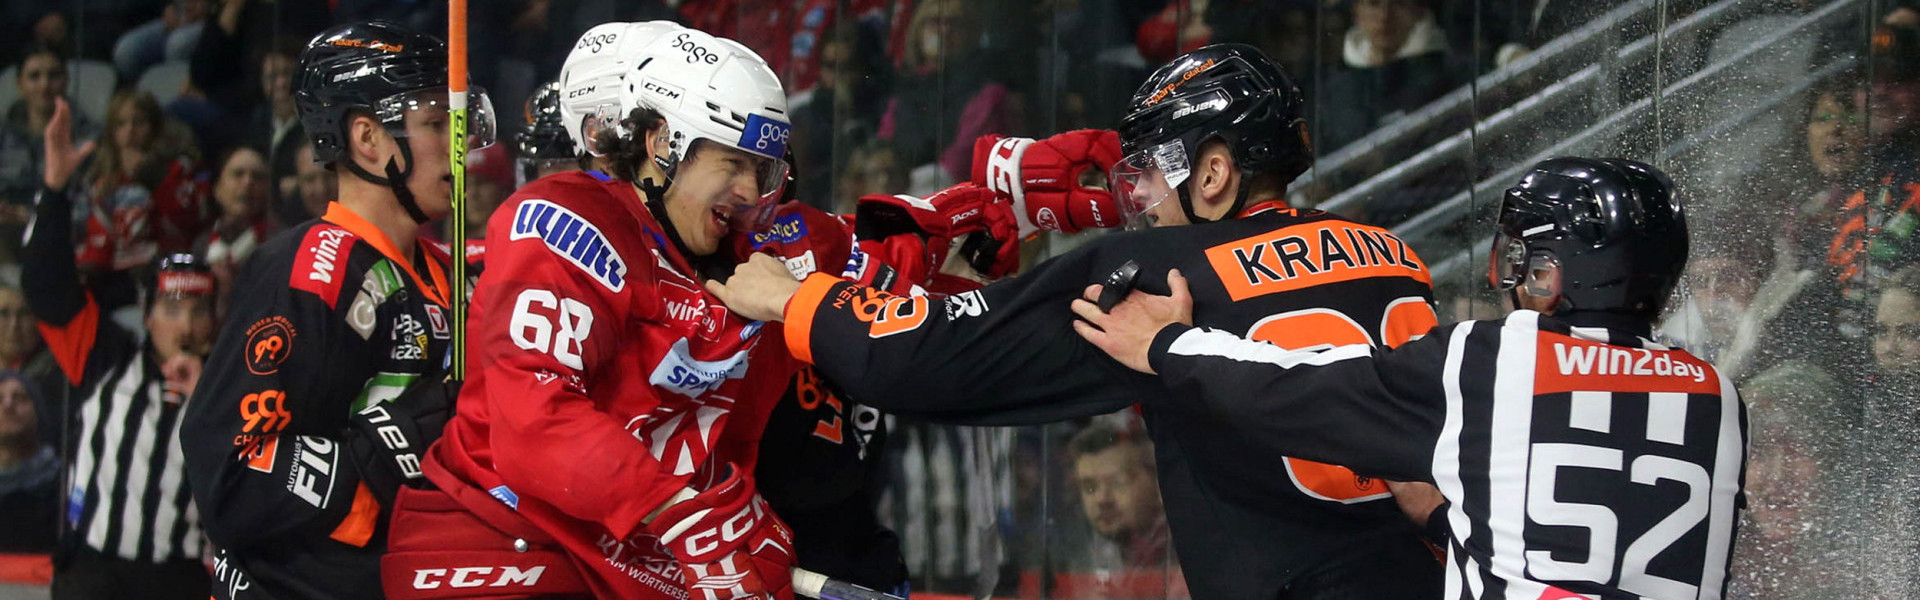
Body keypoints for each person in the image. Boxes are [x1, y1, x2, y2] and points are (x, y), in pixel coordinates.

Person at [708, 44, 1448, 598]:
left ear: (1214, 173)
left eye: (1154, 169)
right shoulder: (1393, 255)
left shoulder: (1160, 273)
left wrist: (793, 296)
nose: (1142, 195)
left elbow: (927, 357)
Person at [1073, 157, 1748, 598]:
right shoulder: (1717, 395)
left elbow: (1301, 391)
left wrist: (1169, 345)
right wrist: (1449, 521)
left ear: (1546, 272)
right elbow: (1601, 555)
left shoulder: (1496, 357)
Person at [180, 20, 495, 600]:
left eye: (459, 123)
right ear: (368, 139)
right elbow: (231, 475)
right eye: (434, 124)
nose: (461, 145)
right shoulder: (310, 270)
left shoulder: (449, 269)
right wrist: (389, 444)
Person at [28, 93, 216, 600]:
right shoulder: (104, 355)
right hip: (92, 573)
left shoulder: (233, 388)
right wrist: (54, 188)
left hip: (178, 579)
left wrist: (206, 402)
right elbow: (46, 287)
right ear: (148, 315)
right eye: (174, 309)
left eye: (200, 310)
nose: (189, 323)